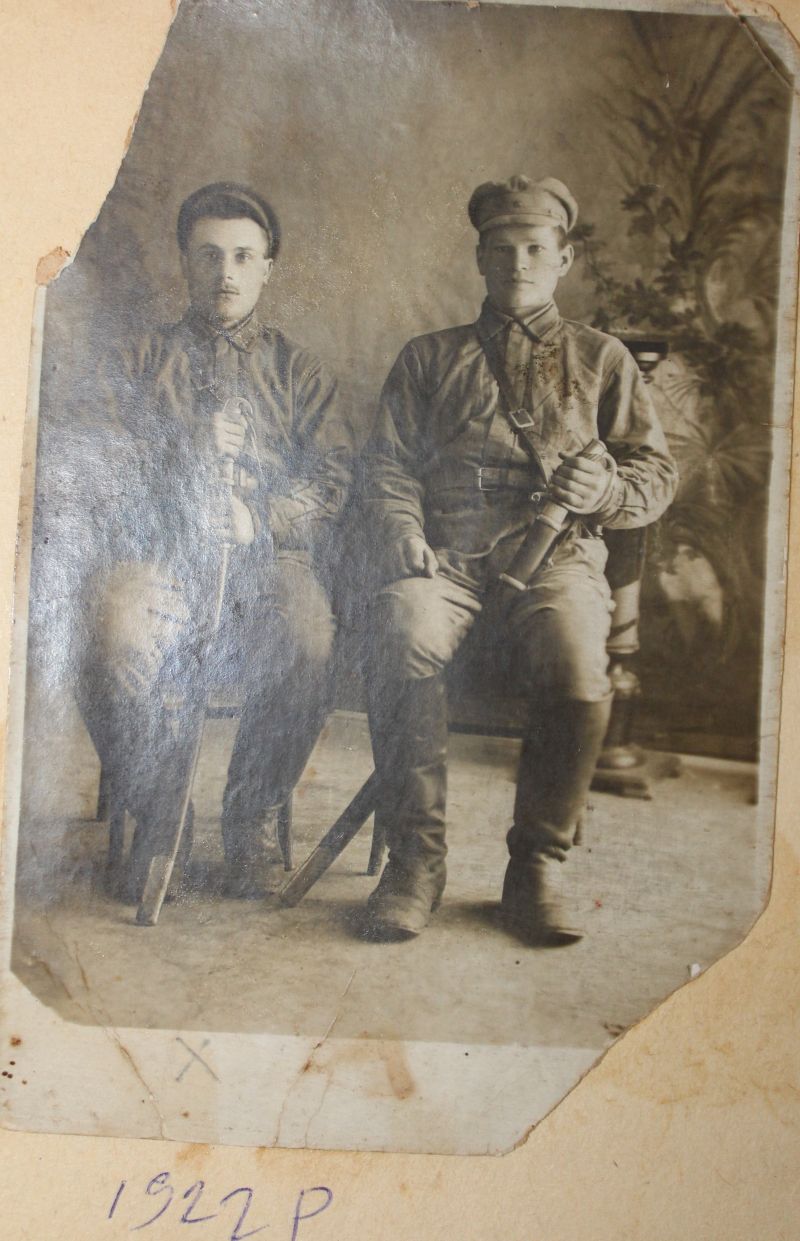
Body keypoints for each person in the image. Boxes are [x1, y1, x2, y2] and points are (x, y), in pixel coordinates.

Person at [362, 174, 677, 944]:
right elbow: (388, 466)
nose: (518, 263)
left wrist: (606, 489)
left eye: (535, 248)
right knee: (401, 628)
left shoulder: (602, 360)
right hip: (447, 555)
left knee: (577, 658)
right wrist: (402, 529)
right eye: (500, 249)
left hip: (556, 559)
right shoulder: (428, 358)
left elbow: (655, 474)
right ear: (479, 257)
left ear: (564, 258)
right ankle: (416, 860)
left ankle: (536, 864)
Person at [76, 182, 353, 900]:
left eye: (242, 256)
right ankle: (158, 811)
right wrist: (186, 455)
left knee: (309, 638)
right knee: (107, 634)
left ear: (268, 268)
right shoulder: (138, 361)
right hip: (159, 559)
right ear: (184, 263)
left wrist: (260, 519)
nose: (225, 273)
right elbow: (98, 477)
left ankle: (251, 814)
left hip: (264, 566)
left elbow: (333, 480)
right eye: (208, 255)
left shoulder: (298, 372)